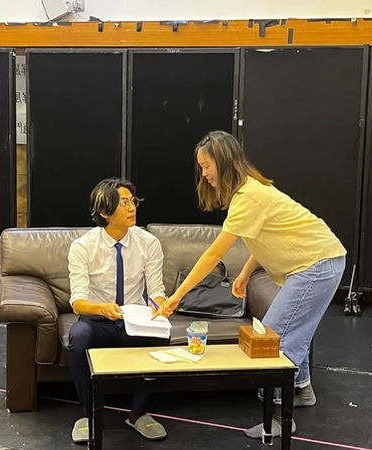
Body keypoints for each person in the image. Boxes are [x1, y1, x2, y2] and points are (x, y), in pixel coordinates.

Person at [153, 130, 346, 439]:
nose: (204, 174)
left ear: (223, 161)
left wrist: (176, 296)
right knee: (294, 331)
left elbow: (213, 254)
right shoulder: (248, 192)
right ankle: (302, 389)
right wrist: (244, 273)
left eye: (206, 166)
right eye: (201, 167)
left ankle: (280, 418)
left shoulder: (249, 196)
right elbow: (264, 236)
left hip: (316, 264)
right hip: (317, 262)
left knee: (273, 338)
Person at [67, 177, 169, 444]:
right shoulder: (83, 246)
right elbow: (78, 301)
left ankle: (138, 413)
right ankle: (87, 415)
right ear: (105, 212)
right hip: (97, 318)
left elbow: (155, 290)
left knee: (161, 335)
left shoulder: (149, 243)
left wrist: (161, 305)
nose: (132, 208)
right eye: (124, 203)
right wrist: (102, 308)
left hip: (134, 319)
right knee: (79, 336)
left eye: (133, 201)